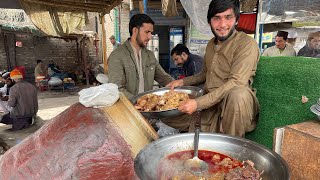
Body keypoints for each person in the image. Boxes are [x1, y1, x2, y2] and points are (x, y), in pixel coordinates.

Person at [165, 0, 260, 137]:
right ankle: (207, 126)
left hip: (233, 106)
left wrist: (197, 103)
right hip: (210, 106)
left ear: (237, 20)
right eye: (216, 18)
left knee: (238, 95)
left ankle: (232, 150)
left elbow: (236, 82)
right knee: (165, 114)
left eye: (228, 17)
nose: (222, 25)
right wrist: (181, 82)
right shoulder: (211, 44)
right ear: (209, 22)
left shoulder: (246, 44)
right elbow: (204, 74)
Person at [108, 14, 174, 99]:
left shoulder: (150, 55)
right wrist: (139, 102)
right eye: (147, 32)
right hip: (129, 109)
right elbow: (116, 89)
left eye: (151, 33)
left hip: (147, 108)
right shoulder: (117, 56)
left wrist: (178, 84)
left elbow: (163, 77)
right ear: (135, 30)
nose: (150, 37)